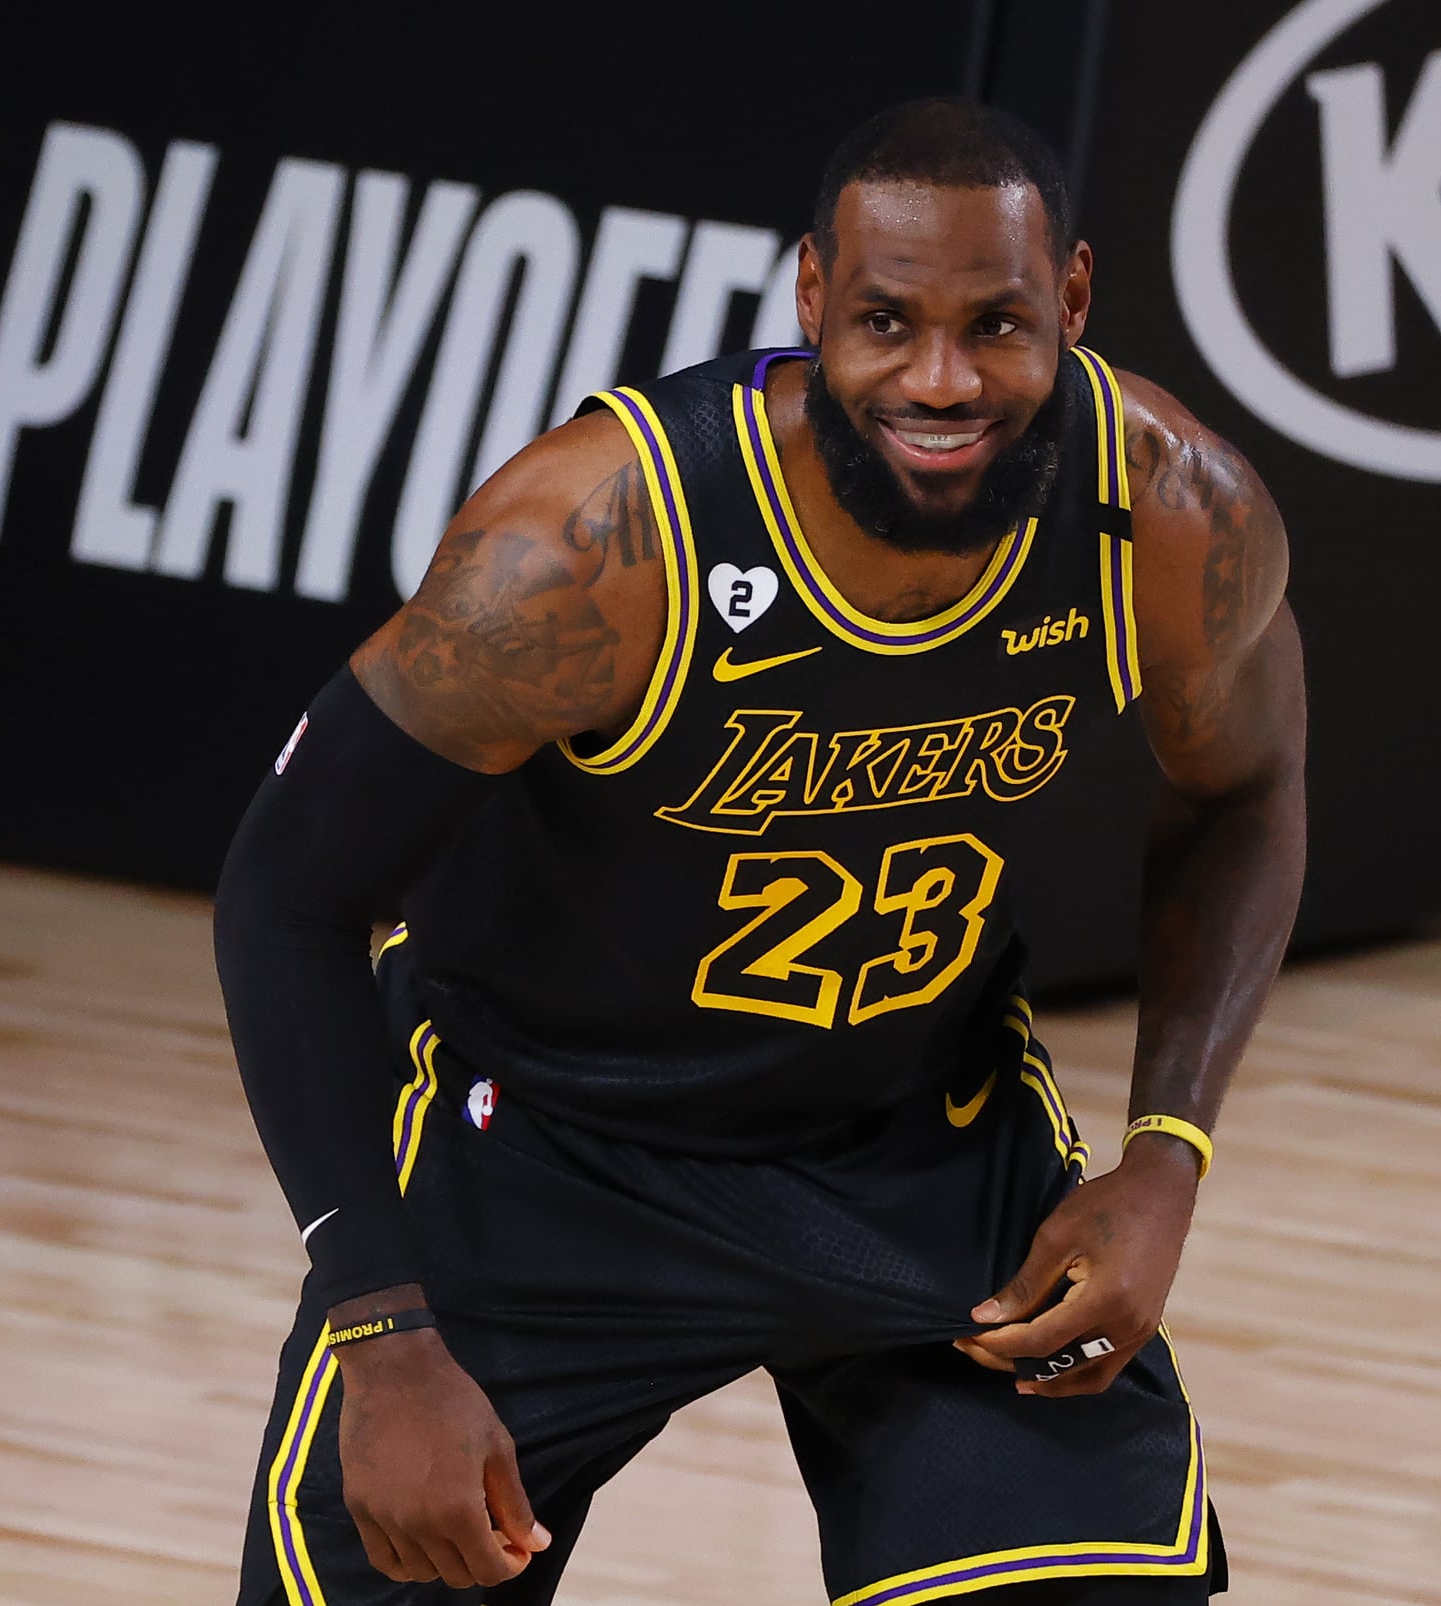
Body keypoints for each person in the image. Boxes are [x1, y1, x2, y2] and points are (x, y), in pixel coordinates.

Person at [215, 98, 1305, 1606]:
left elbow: (1249, 790)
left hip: (918, 1144)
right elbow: (287, 895)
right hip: (542, 1153)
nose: (940, 379)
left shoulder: (1171, 516)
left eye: (995, 323)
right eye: (884, 320)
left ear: (1072, 299)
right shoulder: (598, 542)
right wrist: (380, 1327)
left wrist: (1167, 1156)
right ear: (810, 302)